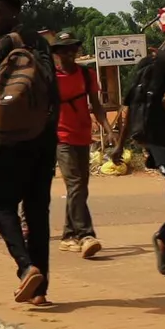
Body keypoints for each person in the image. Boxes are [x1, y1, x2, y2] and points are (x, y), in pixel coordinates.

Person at [0, 0, 59, 305]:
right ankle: (40, 292)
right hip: (45, 137)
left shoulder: (1, 47)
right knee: (37, 211)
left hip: (13, 139)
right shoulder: (42, 43)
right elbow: (54, 92)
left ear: (15, 12)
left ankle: (26, 268)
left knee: (2, 206)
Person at [113, 4, 165, 278]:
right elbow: (131, 106)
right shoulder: (151, 64)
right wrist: (120, 144)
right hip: (162, 142)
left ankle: (164, 237)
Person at [49, 31, 110, 258]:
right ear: (56, 53)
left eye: (72, 49)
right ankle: (86, 234)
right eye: (64, 50)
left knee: (80, 187)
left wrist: (108, 129)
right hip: (61, 136)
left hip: (83, 136)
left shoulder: (86, 74)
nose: (69, 54)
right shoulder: (51, 78)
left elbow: (96, 105)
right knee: (75, 185)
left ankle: (68, 236)